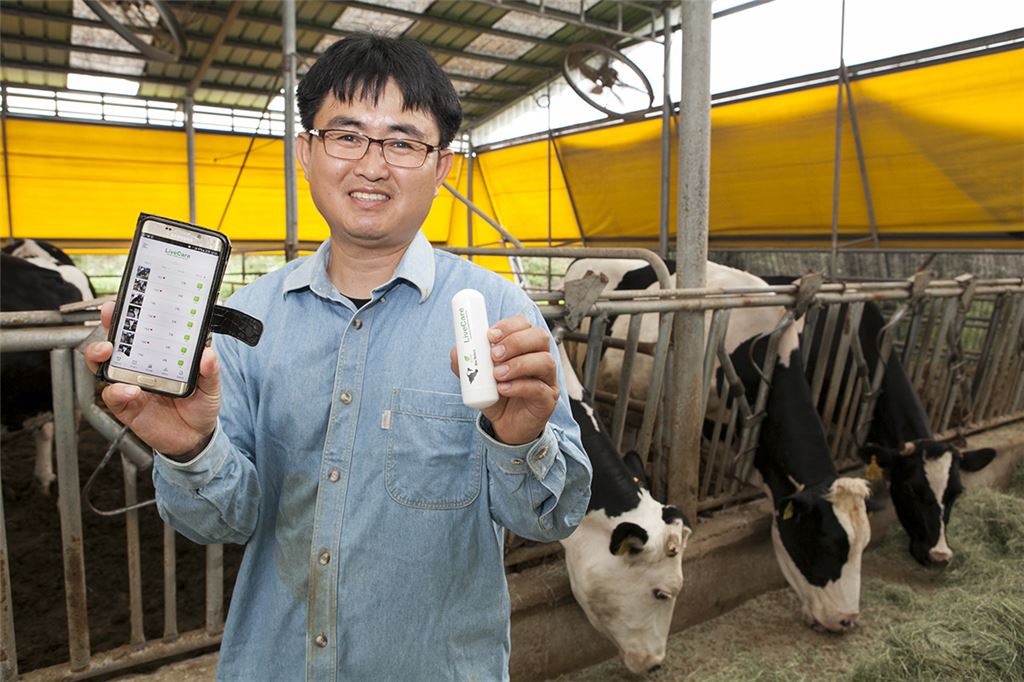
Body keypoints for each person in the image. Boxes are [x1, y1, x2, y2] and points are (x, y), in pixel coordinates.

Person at [84, 34, 592, 681]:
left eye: (403, 143)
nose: (372, 167)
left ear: (442, 166)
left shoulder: (500, 316)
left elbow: (550, 519)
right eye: (347, 136)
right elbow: (221, 523)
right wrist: (190, 448)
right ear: (306, 151)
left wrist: (521, 442)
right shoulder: (248, 320)